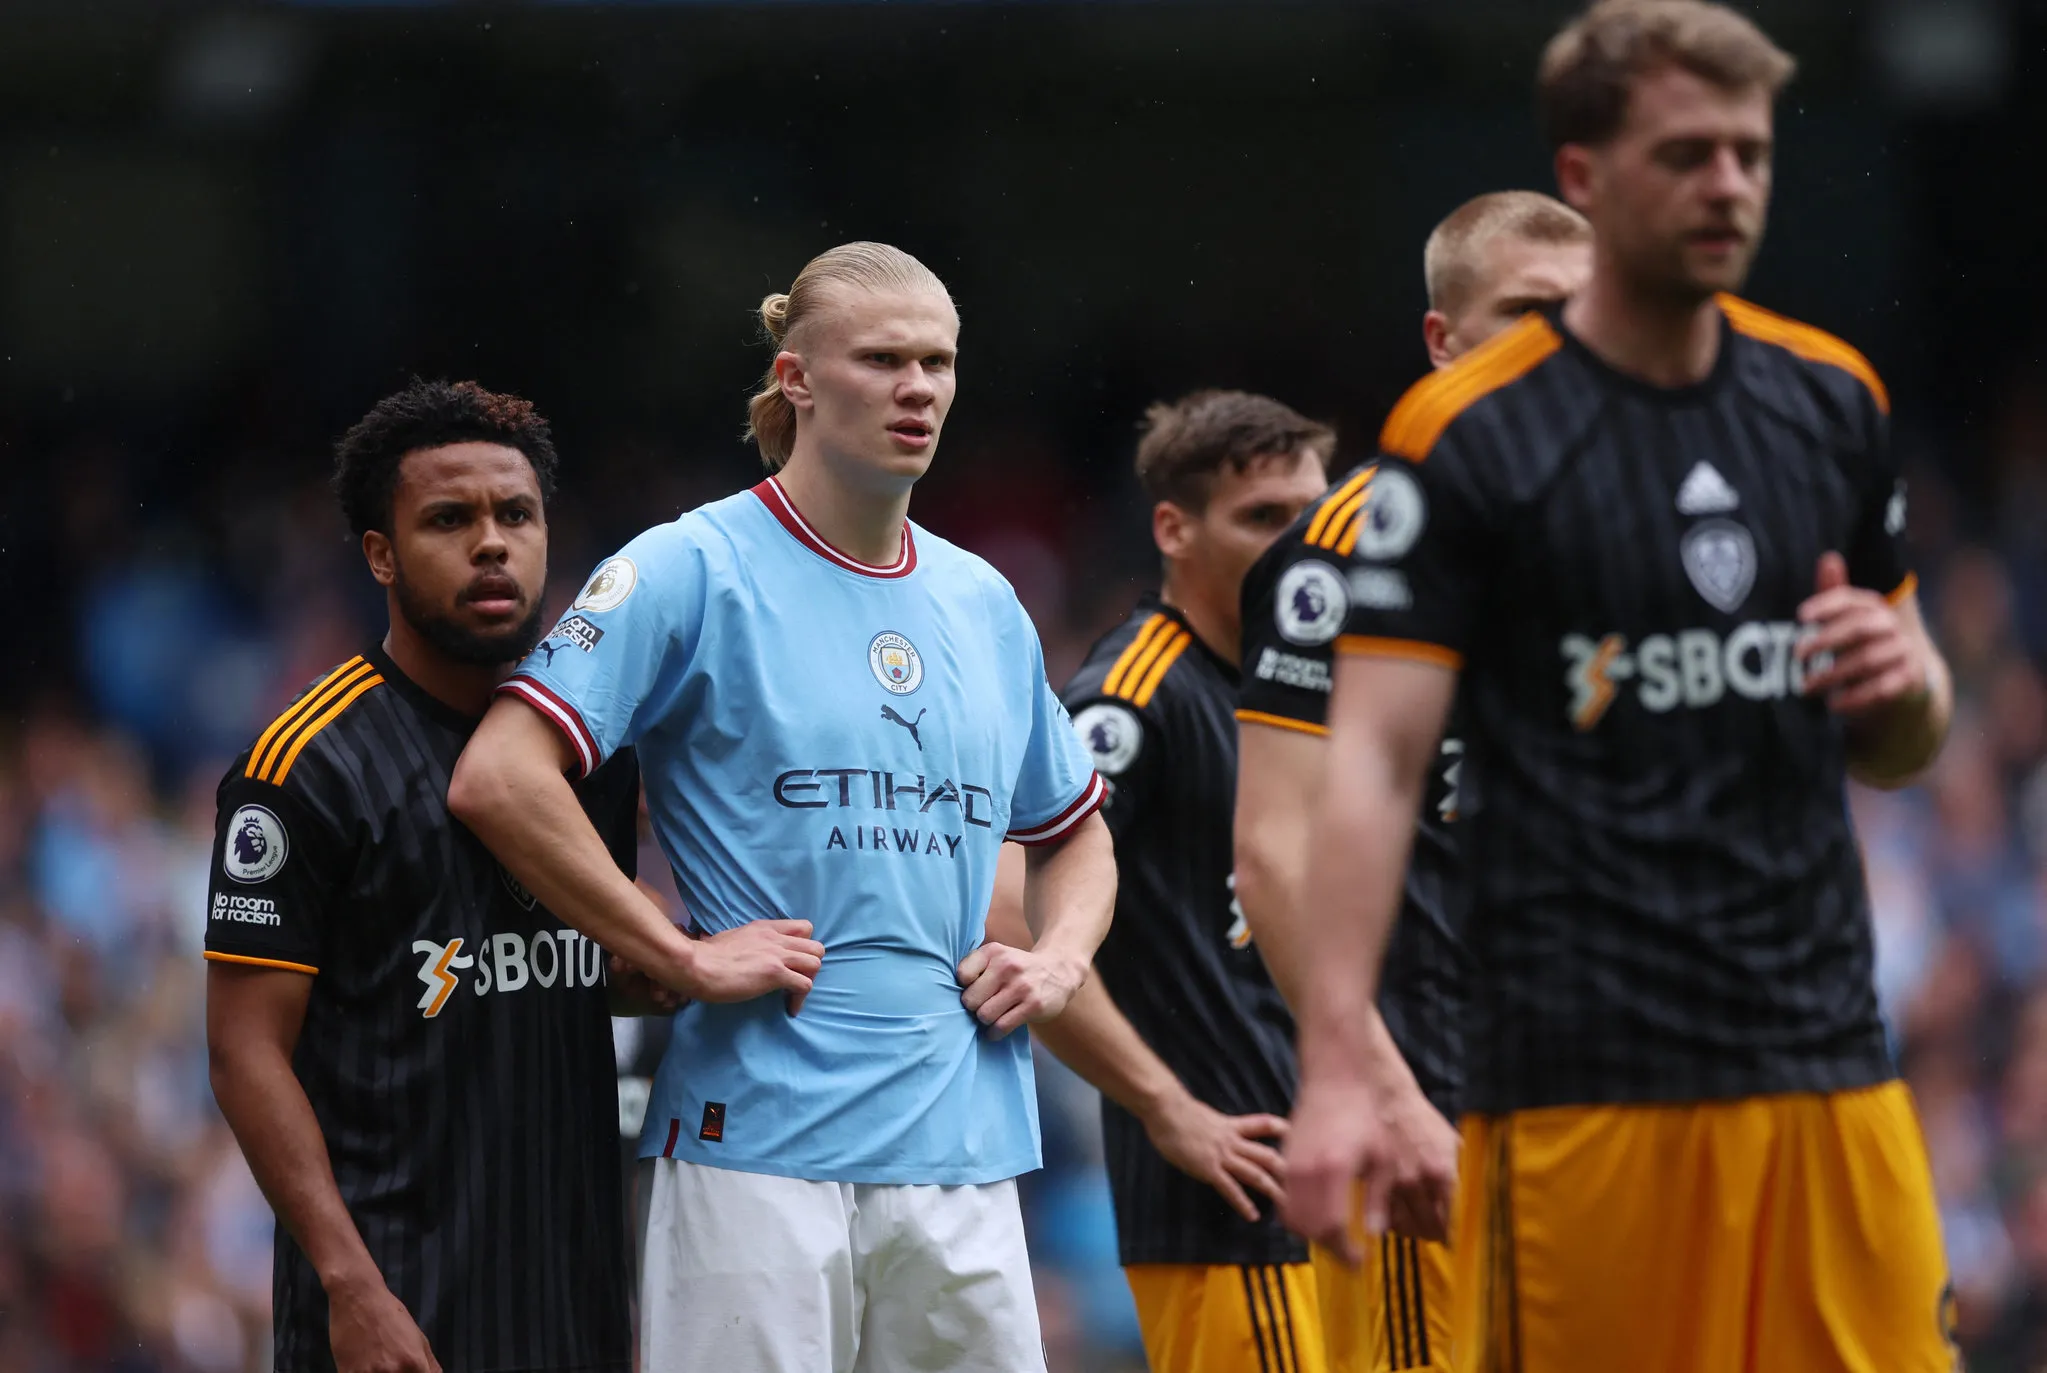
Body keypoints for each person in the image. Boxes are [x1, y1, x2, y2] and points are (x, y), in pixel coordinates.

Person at [1281, 4, 1959, 1371]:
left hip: (1827, 1067)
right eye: (1685, 154)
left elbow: (1906, 739)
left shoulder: (1827, 398)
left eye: (1748, 152)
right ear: (1583, 175)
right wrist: (1340, 1059)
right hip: (1582, 1088)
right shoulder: (1464, 436)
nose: (1726, 184)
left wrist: (1903, 686)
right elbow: (1371, 764)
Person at [446, 241, 1117, 1373]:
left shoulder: (985, 601)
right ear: (796, 378)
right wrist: (674, 950)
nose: (918, 388)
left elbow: (1077, 832)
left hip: (963, 1147)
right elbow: (501, 776)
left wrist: (1057, 961)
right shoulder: (691, 565)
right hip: (752, 1145)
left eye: (939, 362)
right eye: (883, 360)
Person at [205, 380, 659, 1373]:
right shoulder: (302, 767)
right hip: (392, 1316)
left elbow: (550, 968)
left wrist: (658, 965)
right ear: (380, 553)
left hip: (572, 1310)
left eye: (516, 515)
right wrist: (349, 1285)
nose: (491, 544)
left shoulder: (595, 753)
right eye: (449, 519)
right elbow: (243, 1054)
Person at [1233, 191, 1591, 1373]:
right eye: (1526, 312)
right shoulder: (1336, 555)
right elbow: (1272, 858)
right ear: (1441, 339)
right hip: (1436, 1115)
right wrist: (1385, 1097)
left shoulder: (1614, 531)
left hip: (1609, 1109)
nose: (1559, 342)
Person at [998, 391, 1337, 1372]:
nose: (1299, 544)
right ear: (1172, 529)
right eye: (1262, 516)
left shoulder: (1299, 683)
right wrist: (1164, 1104)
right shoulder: (1131, 695)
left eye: (1312, 516)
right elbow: (1012, 909)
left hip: (1330, 1176)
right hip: (1228, 1198)